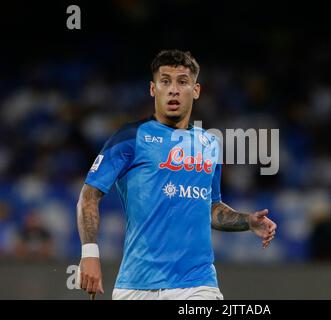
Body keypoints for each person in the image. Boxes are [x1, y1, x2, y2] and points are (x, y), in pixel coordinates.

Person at [76, 49, 277, 300]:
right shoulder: (129, 137)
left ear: (196, 90)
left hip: (197, 284)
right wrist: (90, 254)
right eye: (165, 81)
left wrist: (248, 221)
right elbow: (89, 194)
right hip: (137, 286)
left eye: (182, 82)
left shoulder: (209, 144)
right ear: (153, 89)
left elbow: (210, 207)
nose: (173, 89)